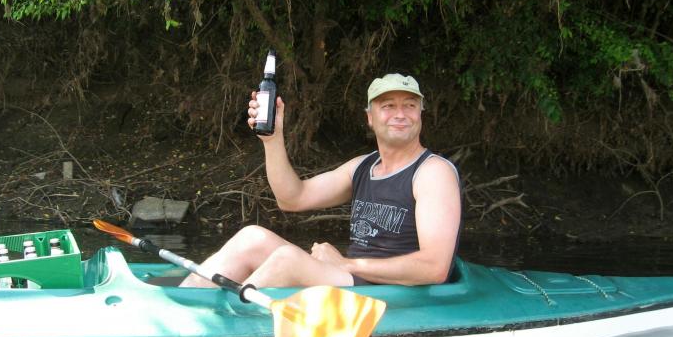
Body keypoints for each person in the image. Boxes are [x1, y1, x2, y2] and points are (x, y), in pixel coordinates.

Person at [179, 73, 462, 288]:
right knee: (252, 238)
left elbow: (434, 268)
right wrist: (272, 139)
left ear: (420, 114)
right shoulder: (362, 167)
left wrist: (348, 264)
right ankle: (185, 305)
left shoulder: (433, 173)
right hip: (353, 278)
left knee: (288, 261)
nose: (400, 114)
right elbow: (292, 199)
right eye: (388, 105)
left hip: (388, 291)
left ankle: (223, 323)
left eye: (410, 105)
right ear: (370, 117)